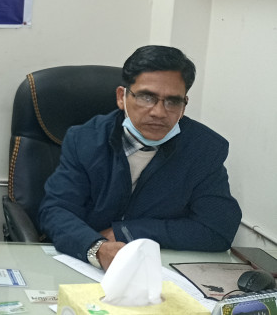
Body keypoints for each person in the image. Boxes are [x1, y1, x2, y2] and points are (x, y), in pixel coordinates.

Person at [38, 45, 242, 271]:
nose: (159, 112)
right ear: (121, 97)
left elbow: (217, 230)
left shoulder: (204, 149)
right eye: (147, 97)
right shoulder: (84, 140)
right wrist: (97, 248)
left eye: (172, 101)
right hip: (85, 263)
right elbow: (56, 211)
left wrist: (127, 232)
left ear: (184, 106)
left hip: (158, 269)